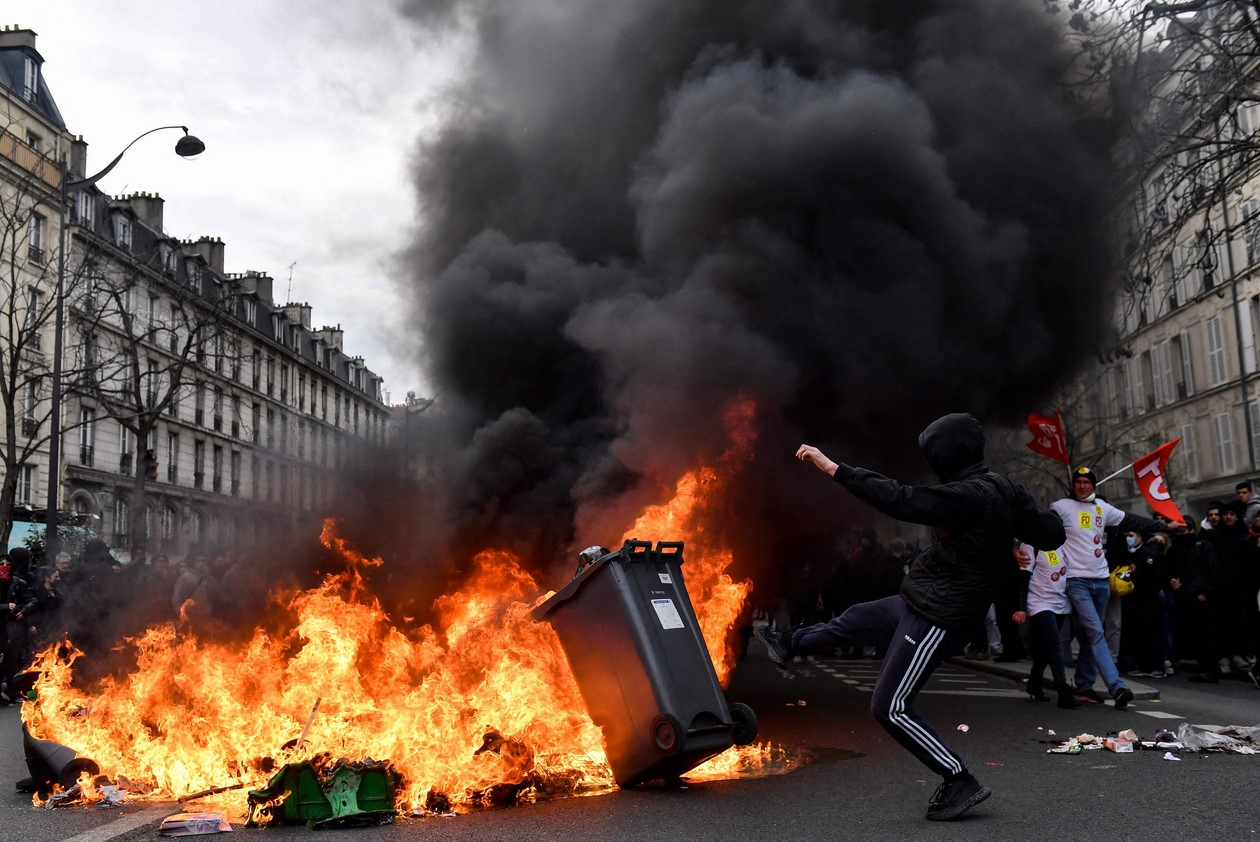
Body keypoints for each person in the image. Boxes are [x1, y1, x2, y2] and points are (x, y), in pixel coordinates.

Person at [757, 412, 1065, 822]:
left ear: (946, 456)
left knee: (890, 706)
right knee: (854, 619)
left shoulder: (968, 495)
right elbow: (1052, 532)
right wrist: (1011, 538)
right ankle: (788, 643)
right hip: (921, 596)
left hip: (940, 615)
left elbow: (901, 499)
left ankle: (959, 779)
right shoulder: (1004, 489)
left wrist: (834, 469)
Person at [1052, 466, 1171, 707]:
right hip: (1076, 582)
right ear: (1073, 485)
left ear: (1094, 485)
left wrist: (1167, 527)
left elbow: (1133, 520)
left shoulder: (1102, 508)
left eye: (1087, 482)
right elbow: (1037, 527)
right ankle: (1117, 687)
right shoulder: (1060, 507)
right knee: (1096, 632)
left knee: (1089, 636)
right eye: (1079, 482)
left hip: (1102, 582)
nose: (1082, 486)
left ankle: (1084, 686)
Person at [1013, 543, 1079, 708]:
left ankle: (1034, 685)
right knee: (1055, 645)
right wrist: (1020, 608)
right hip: (1039, 603)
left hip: (1061, 603)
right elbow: (1023, 579)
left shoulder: (1063, 545)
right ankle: (1064, 693)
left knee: (1044, 649)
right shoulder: (1031, 547)